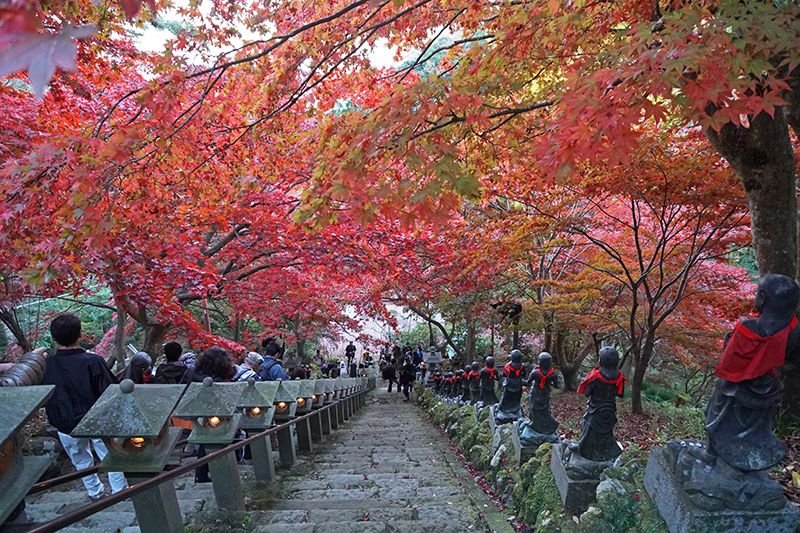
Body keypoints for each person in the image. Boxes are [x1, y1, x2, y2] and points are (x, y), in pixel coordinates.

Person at [41, 314, 127, 501]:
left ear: (54, 338)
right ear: (80, 334)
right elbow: (110, 391)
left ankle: (95, 493)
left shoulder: (47, 366)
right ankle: (120, 492)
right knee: (111, 456)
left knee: (81, 461)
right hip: (97, 420)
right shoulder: (92, 361)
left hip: (65, 422)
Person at [181, 347, 236, 482]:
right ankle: (215, 473)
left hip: (193, 410)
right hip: (213, 412)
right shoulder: (217, 380)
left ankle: (201, 474)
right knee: (213, 438)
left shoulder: (191, 372)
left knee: (203, 440)